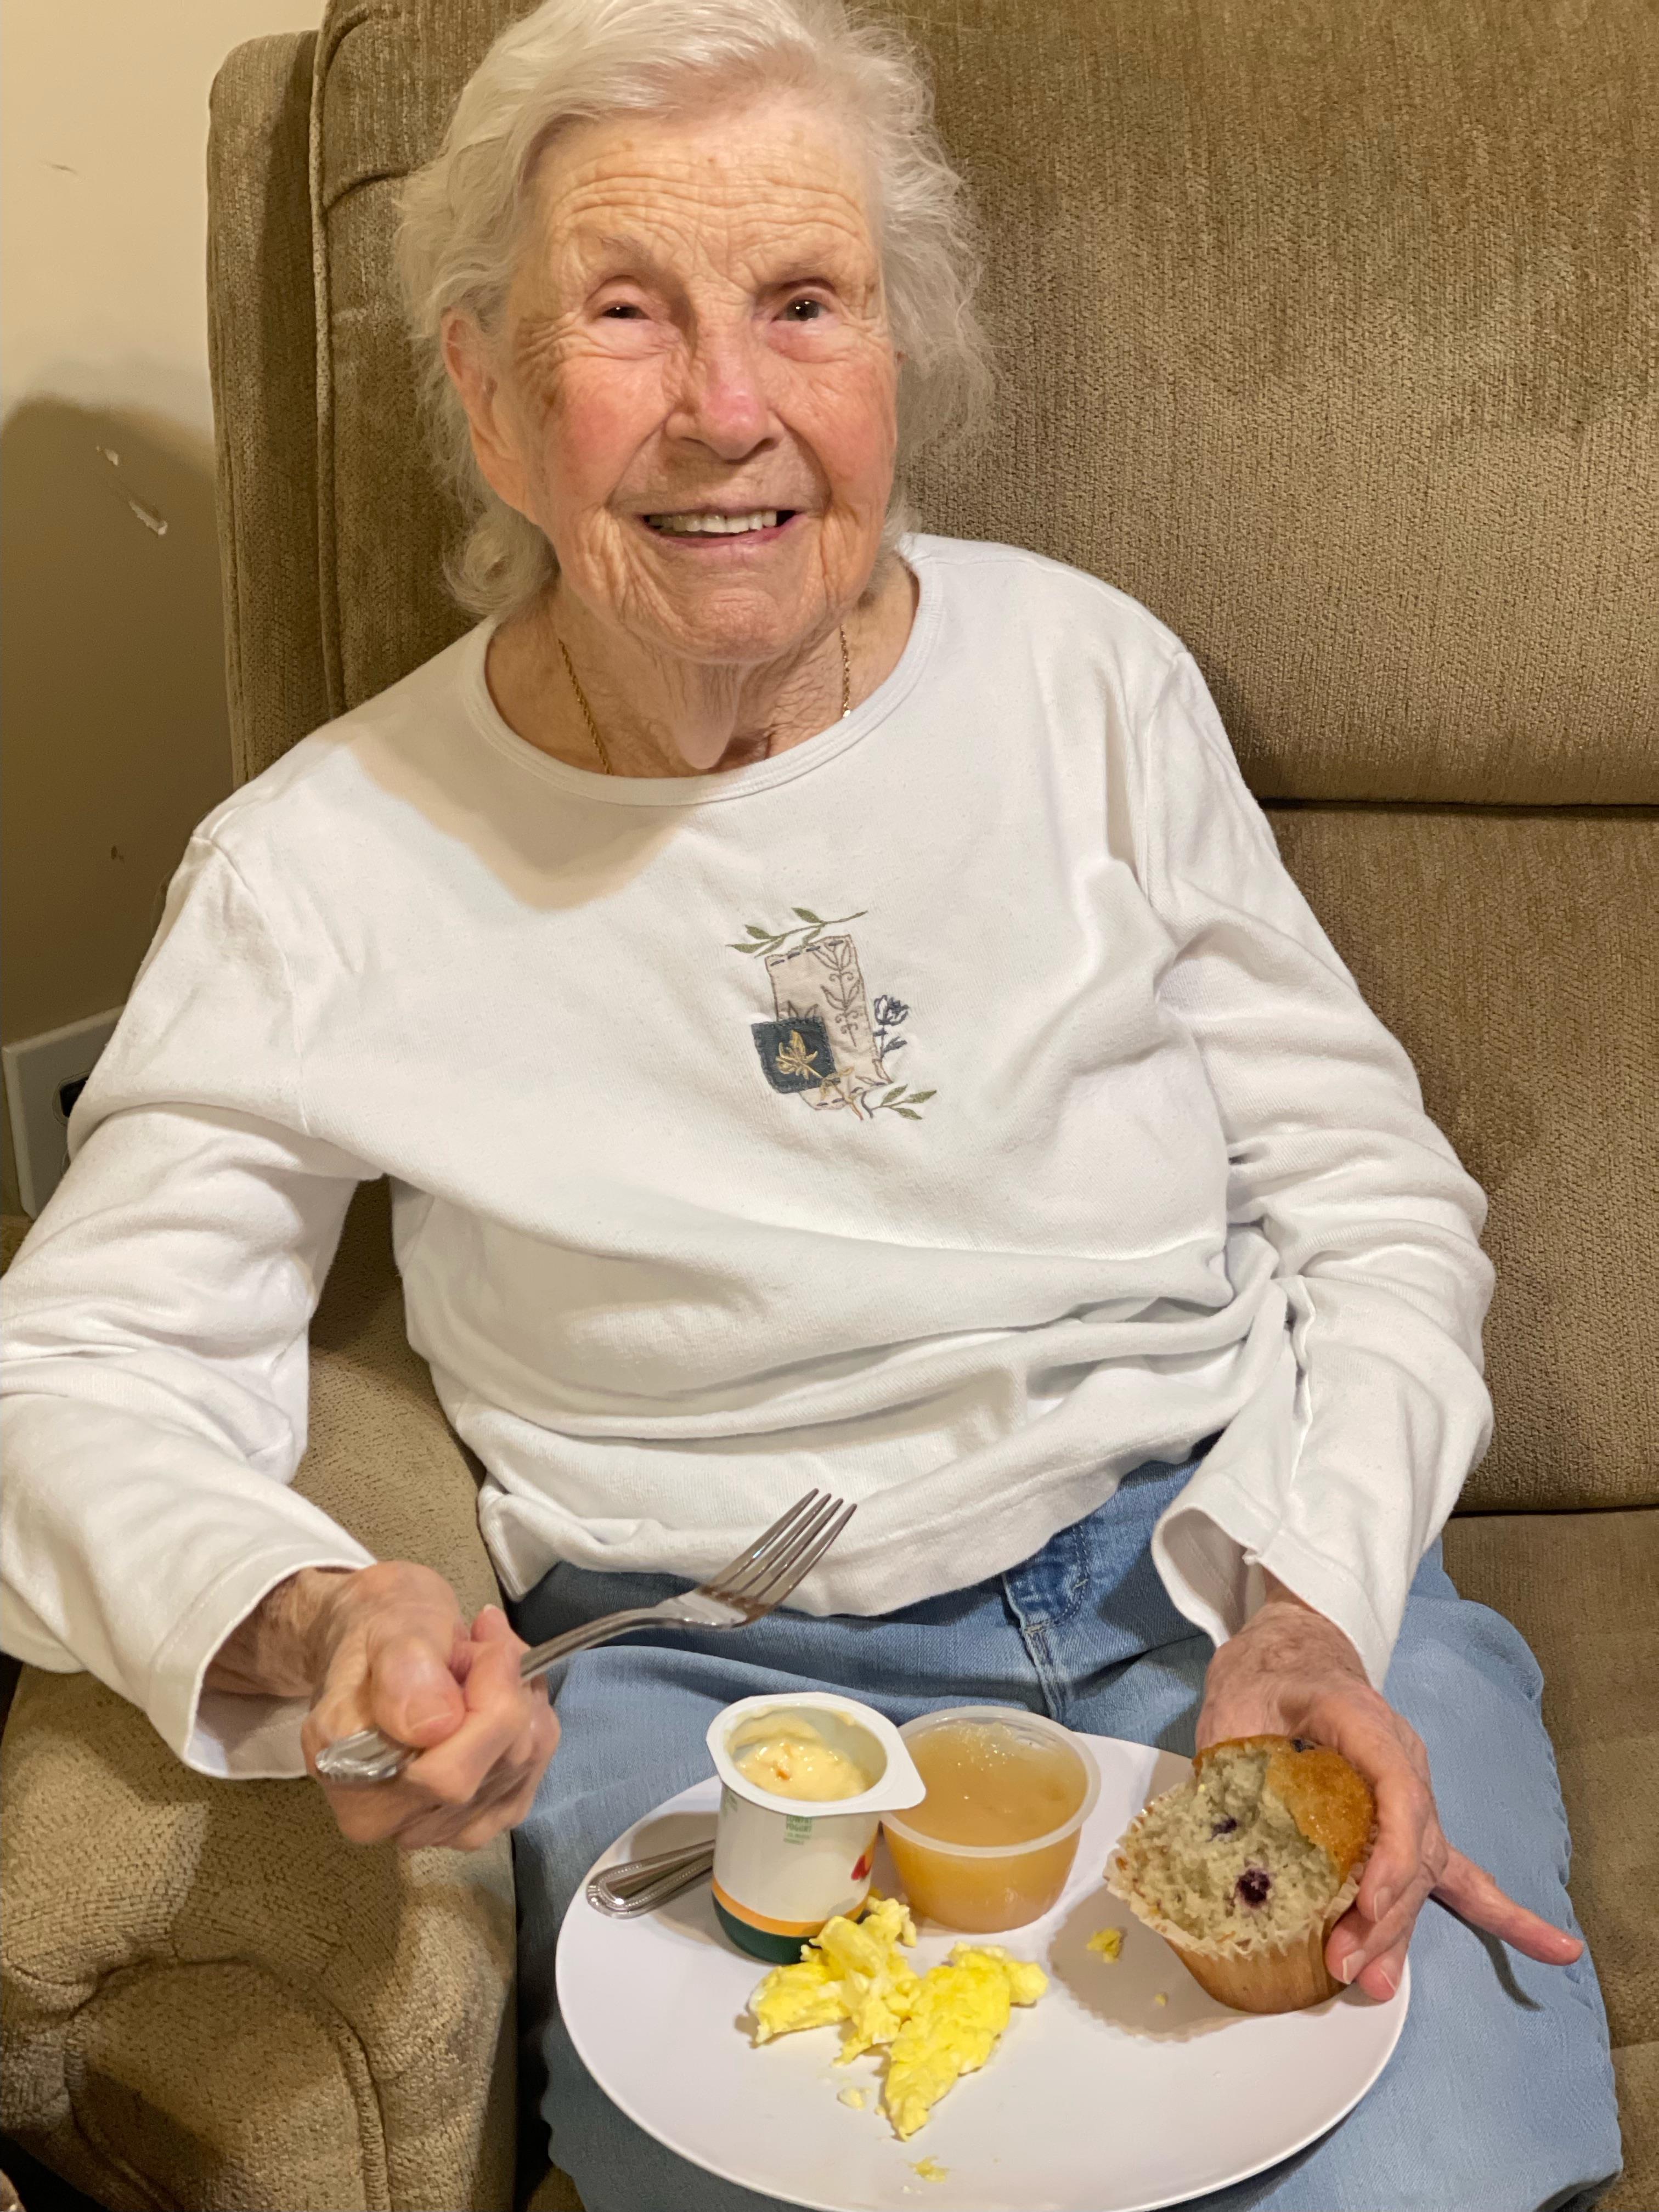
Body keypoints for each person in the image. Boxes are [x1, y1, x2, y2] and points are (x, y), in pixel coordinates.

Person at [0, 1, 1621, 2205]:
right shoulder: (323, 870)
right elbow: (72, 1371)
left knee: (1392, 2172)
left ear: (895, 361)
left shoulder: (1088, 685)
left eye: (802, 304)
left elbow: (1376, 1200)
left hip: (1219, 1588)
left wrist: (1314, 1590)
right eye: (624, 313)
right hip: (723, 1698)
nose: (728, 409)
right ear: (485, 393)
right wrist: (315, 1615)